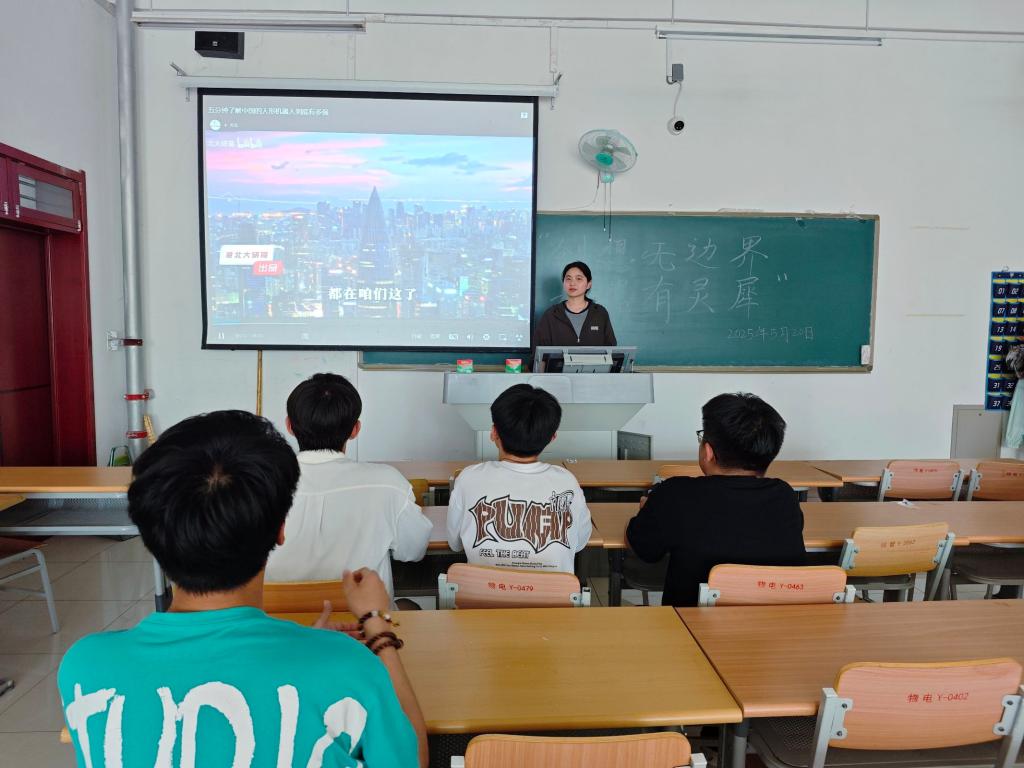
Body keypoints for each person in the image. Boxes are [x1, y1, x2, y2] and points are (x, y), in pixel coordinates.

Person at [58, 410, 427, 768]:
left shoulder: (85, 666)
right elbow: (411, 760)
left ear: (150, 536)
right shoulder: (348, 667)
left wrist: (309, 647)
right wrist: (376, 626)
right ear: (281, 529)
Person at [626, 393, 806, 607]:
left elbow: (642, 549)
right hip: (772, 622)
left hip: (688, 623)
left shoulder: (675, 494)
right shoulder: (784, 496)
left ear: (708, 452)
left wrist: (649, 512)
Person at [266, 373, 432, 603]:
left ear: (289, 426)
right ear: (355, 429)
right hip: (364, 621)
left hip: (279, 621)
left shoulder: (259, 484)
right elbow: (413, 551)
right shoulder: (387, 483)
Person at [447, 384, 592, 572]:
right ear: (552, 437)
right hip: (552, 592)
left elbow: (455, 544)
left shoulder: (468, 478)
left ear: (494, 432)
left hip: (484, 591)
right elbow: (579, 543)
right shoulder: (567, 481)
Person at [534, 261, 617, 347]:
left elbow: (611, 348)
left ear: (589, 284)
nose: (572, 283)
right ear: (563, 283)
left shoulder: (600, 313)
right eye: (568, 279)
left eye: (579, 279)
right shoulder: (551, 314)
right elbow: (539, 351)